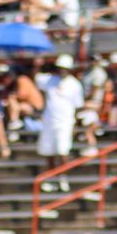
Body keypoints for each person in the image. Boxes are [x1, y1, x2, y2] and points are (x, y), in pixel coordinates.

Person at [37, 55, 84, 192]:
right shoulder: (49, 80)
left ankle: (62, 178)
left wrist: (75, 125)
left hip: (65, 122)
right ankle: (51, 178)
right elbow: (36, 77)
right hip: (49, 122)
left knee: (62, 151)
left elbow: (78, 106)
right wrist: (39, 63)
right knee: (48, 152)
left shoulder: (74, 84)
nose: (62, 71)